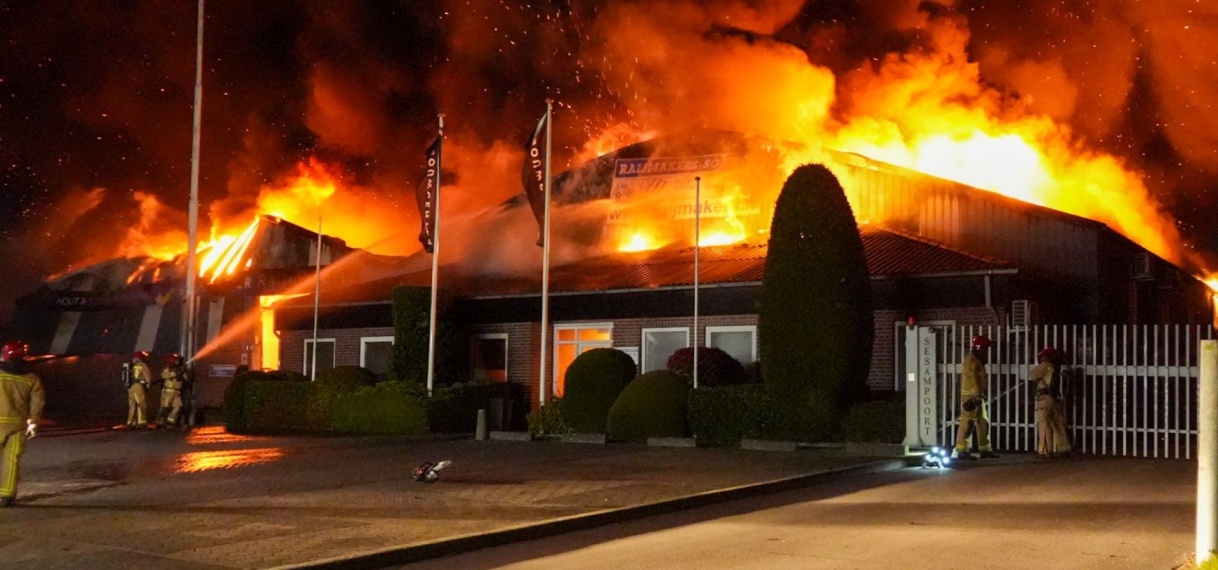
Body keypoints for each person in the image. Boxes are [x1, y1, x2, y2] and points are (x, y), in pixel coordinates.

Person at [0, 341, 45, 507]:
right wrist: (33, 423)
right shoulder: (31, 378)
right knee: (12, 460)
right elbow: (37, 402)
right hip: (17, 425)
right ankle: (6, 495)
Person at [954, 335, 1000, 460]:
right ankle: (962, 449)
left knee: (983, 422)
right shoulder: (971, 361)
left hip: (977, 396)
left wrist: (980, 394)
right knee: (967, 423)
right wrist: (976, 395)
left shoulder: (977, 360)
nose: (986, 351)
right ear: (980, 348)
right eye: (985, 348)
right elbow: (971, 378)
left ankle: (985, 449)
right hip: (970, 396)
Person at [1029, 347, 1072, 459]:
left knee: (1044, 423)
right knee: (1058, 424)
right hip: (1055, 398)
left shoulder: (1046, 365)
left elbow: (1032, 375)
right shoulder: (1058, 367)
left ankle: (1045, 450)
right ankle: (1063, 448)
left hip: (1044, 398)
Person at [157, 354, 187, 429]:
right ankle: (160, 423)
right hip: (167, 392)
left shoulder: (180, 369)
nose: (178, 362)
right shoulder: (167, 369)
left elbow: (186, 379)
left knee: (179, 406)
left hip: (177, 392)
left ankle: (170, 422)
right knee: (165, 408)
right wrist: (174, 373)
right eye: (176, 360)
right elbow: (164, 376)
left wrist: (183, 372)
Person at [126, 351, 154, 429]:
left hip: (130, 387)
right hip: (139, 387)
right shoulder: (142, 365)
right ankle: (142, 423)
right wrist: (147, 387)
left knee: (132, 405)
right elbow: (148, 377)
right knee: (142, 404)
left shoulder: (131, 366)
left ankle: (131, 423)